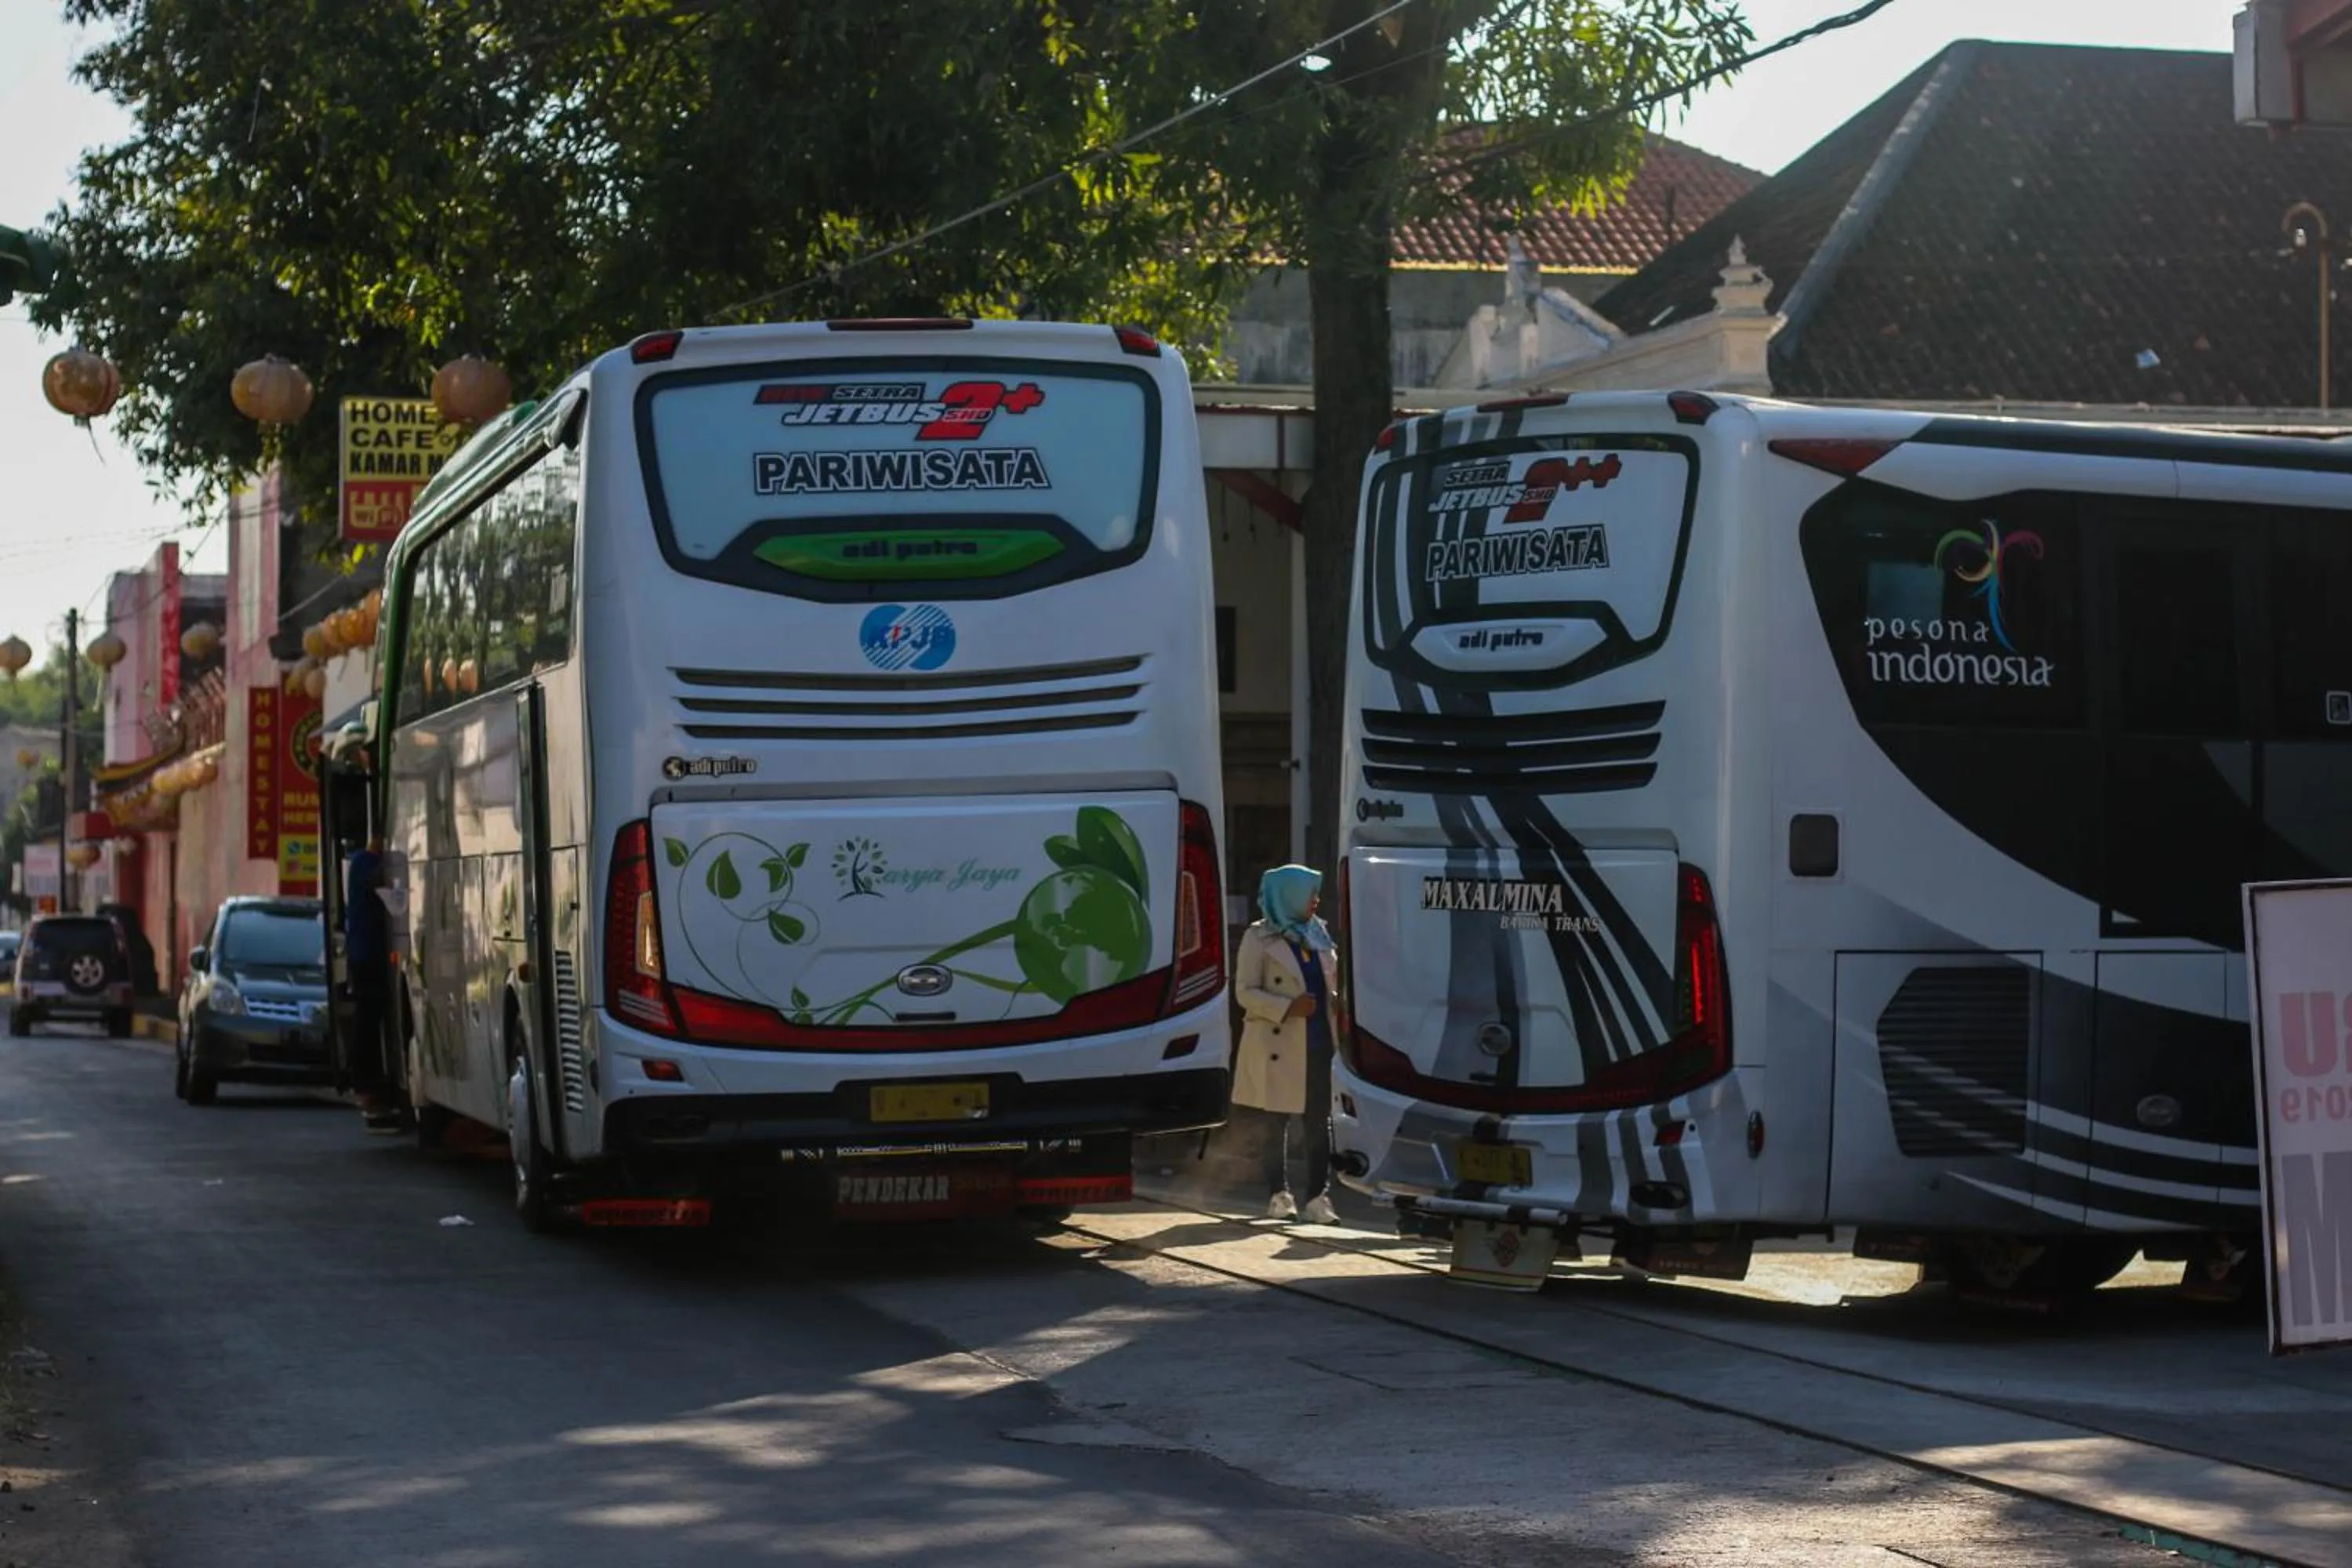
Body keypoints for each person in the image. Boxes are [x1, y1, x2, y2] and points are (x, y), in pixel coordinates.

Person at [1232, 863, 1341, 1225]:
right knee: (1275, 1122)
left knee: (1318, 1123)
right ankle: (1278, 1194)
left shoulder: (1319, 932)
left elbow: (1330, 983)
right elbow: (1244, 992)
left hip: (1319, 1043)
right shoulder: (1257, 937)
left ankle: (1317, 1197)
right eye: (1310, 893)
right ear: (1289, 895)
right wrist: (1287, 1007)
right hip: (1278, 1043)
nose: (1316, 901)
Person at [344, 838, 401, 1133]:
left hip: (367, 954)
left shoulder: (362, 862)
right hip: (366, 956)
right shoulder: (363, 861)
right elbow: (383, 883)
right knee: (368, 1018)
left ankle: (370, 1084)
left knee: (372, 1017)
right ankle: (366, 1083)